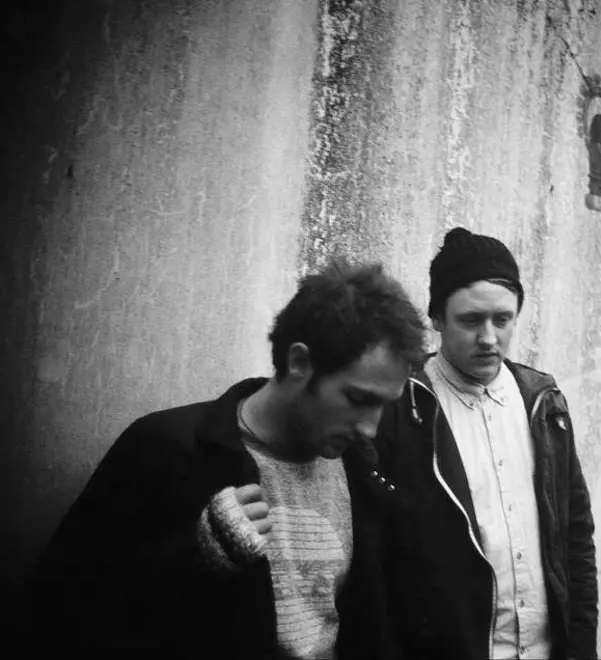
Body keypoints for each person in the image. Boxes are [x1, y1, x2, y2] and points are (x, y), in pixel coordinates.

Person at [26, 260, 425, 660]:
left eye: (384, 406)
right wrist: (196, 557)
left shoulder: (364, 471)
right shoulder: (166, 450)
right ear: (300, 362)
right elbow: (62, 612)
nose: (370, 428)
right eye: (358, 399)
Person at [375, 227, 599, 660]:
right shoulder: (403, 407)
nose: (489, 338)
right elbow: (380, 561)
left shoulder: (543, 402)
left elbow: (575, 538)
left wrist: (581, 647)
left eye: (502, 319)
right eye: (471, 320)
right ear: (437, 318)